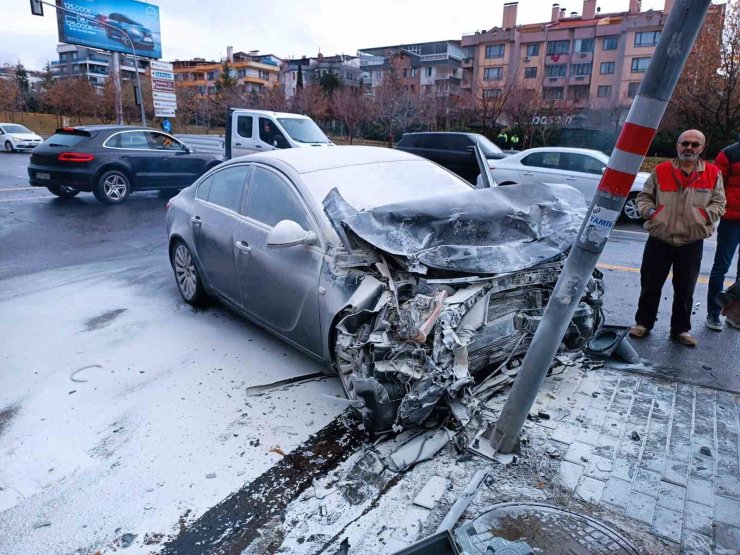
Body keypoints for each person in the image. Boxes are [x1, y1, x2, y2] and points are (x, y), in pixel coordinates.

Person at [629, 129, 726, 347]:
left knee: (685, 289)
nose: (689, 148)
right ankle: (643, 323)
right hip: (660, 238)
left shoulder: (712, 173)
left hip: (691, 241)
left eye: (694, 144)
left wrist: (701, 217)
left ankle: (681, 330)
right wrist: (653, 213)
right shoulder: (661, 170)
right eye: (685, 143)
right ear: (677, 146)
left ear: (702, 148)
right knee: (650, 285)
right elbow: (644, 197)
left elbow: (719, 203)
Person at [706, 137, 740, 330]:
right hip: (731, 220)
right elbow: (715, 185)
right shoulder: (730, 153)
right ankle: (713, 313)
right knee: (721, 267)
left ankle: (734, 315)